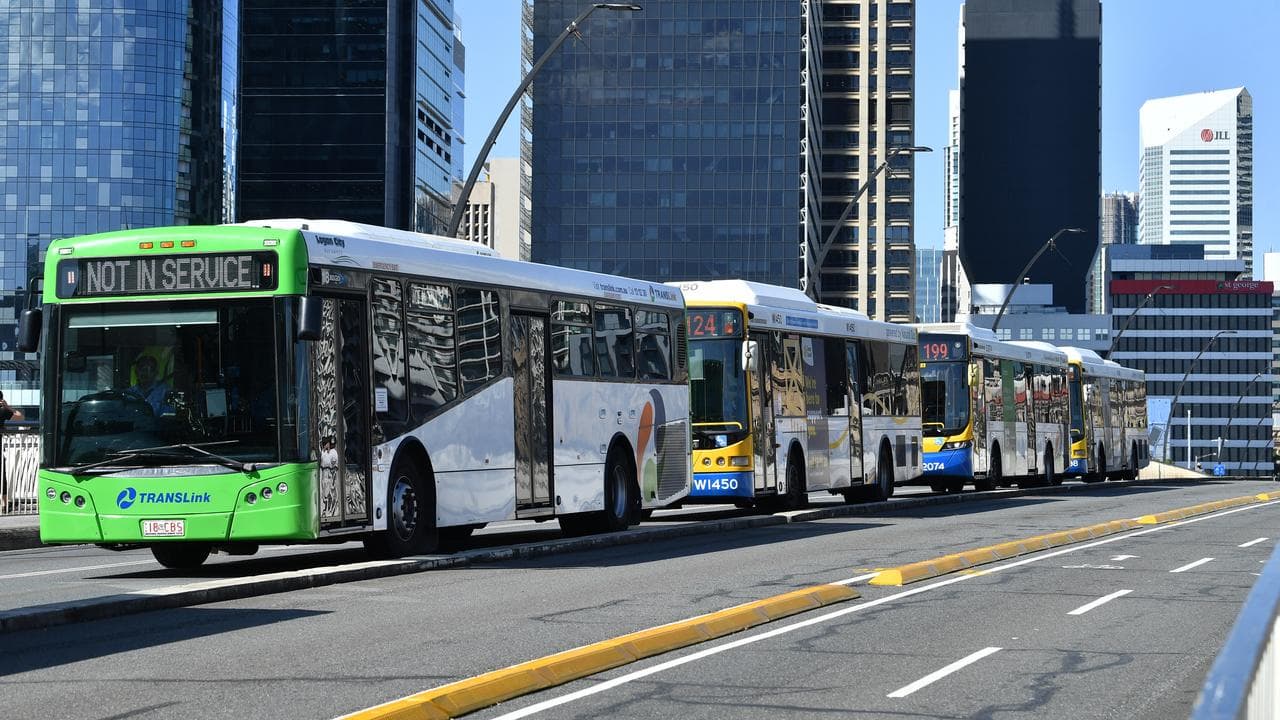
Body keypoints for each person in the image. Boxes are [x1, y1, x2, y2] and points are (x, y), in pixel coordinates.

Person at [1, 390, 23, 512]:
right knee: (1, 475)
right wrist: (8, 407)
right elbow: (20, 417)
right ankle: (4, 504)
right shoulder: (3, 411)